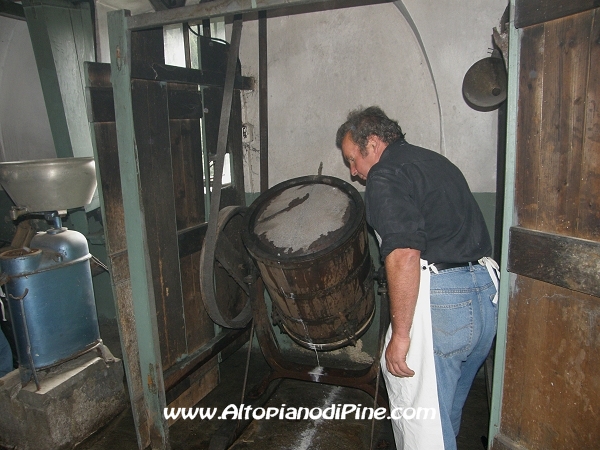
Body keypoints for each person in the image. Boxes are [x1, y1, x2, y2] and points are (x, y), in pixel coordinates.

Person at [336, 106, 498, 450]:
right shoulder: (437, 162)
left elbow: (404, 254)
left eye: (353, 159)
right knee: (445, 417)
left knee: (423, 427)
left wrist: (402, 336)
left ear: (374, 143)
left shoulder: (385, 174)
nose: (353, 172)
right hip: (485, 297)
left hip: (444, 306)